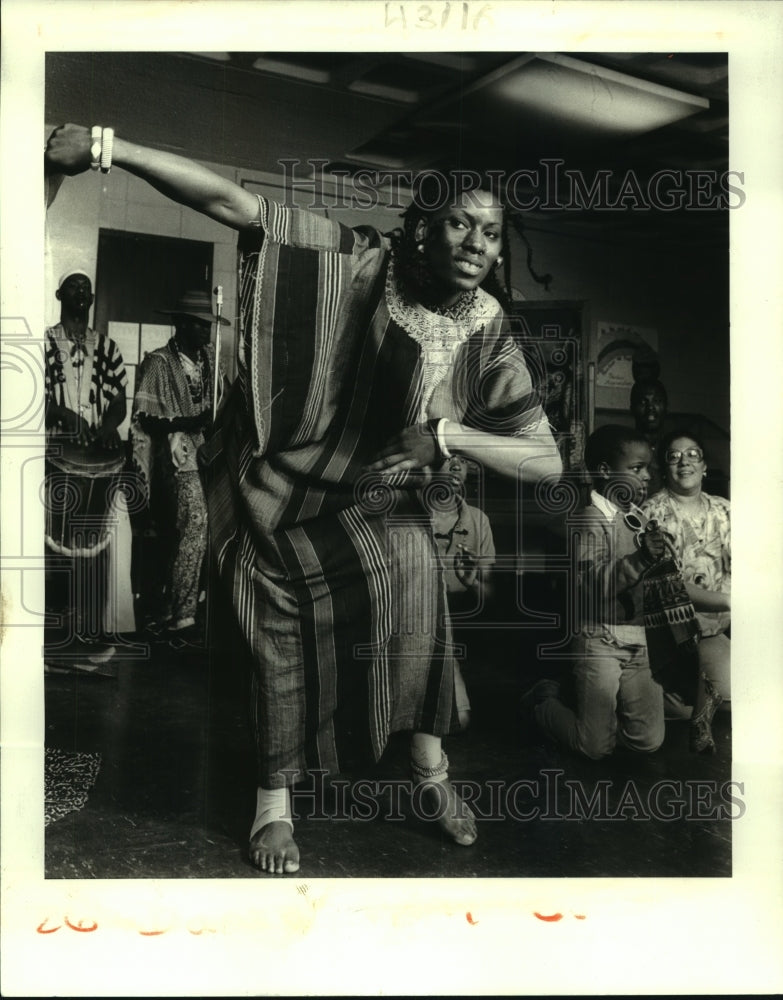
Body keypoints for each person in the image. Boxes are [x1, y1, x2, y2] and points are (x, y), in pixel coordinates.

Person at [45, 124, 562, 874]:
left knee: (419, 581)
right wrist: (103, 149)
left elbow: (545, 462)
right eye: (459, 221)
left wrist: (447, 436)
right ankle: (273, 806)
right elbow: (233, 202)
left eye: (491, 231)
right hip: (280, 490)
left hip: (377, 502)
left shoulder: (487, 331)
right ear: (421, 227)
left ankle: (427, 774)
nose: (477, 243)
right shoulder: (354, 257)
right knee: (275, 624)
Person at [522, 425, 667, 760]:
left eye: (648, 468)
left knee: (648, 740)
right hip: (600, 639)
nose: (647, 476)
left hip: (641, 641)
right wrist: (642, 558)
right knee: (594, 747)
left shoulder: (640, 518)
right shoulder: (590, 518)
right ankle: (542, 703)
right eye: (636, 468)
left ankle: (599, 710)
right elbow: (593, 586)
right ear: (604, 471)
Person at [44, 268, 135, 658]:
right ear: (60, 293)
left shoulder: (109, 348)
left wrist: (109, 426)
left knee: (119, 533)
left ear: (91, 299)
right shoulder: (45, 343)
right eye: (73, 286)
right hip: (53, 452)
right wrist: (65, 415)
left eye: (86, 288)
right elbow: (33, 392)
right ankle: (48, 622)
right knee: (39, 529)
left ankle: (101, 624)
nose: (81, 292)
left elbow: (117, 400)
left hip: (98, 456)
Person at [131, 290, 228, 641]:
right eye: (200, 325)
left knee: (210, 526)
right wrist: (187, 422)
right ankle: (180, 613)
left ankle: (187, 605)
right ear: (181, 324)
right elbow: (146, 418)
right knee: (194, 524)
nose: (206, 331)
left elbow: (221, 406)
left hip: (208, 455)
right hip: (174, 460)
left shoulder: (210, 361)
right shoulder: (158, 362)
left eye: (209, 325)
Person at [642, 430, 730, 733]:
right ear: (665, 469)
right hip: (670, 638)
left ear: (704, 466)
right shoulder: (653, 512)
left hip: (712, 633)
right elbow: (670, 587)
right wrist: (730, 601)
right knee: (685, 709)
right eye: (674, 456)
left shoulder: (725, 510)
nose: (684, 461)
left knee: (734, 695)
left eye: (693, 454)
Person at [427, 455, 496, 729]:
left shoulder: (478, 520)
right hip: (407, 628)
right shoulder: (406, 515)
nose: (456, 467)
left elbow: (490, 597)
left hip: (450, 634)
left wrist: (473, 583)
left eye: (463, 460)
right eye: (446, 458)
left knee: (461, 721)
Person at [629, 378, 669, 494]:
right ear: (632, 409)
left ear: (666, 408)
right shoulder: (624, 450)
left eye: (656, 401)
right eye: (642, 402)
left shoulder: (673, 449)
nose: (650, 408)